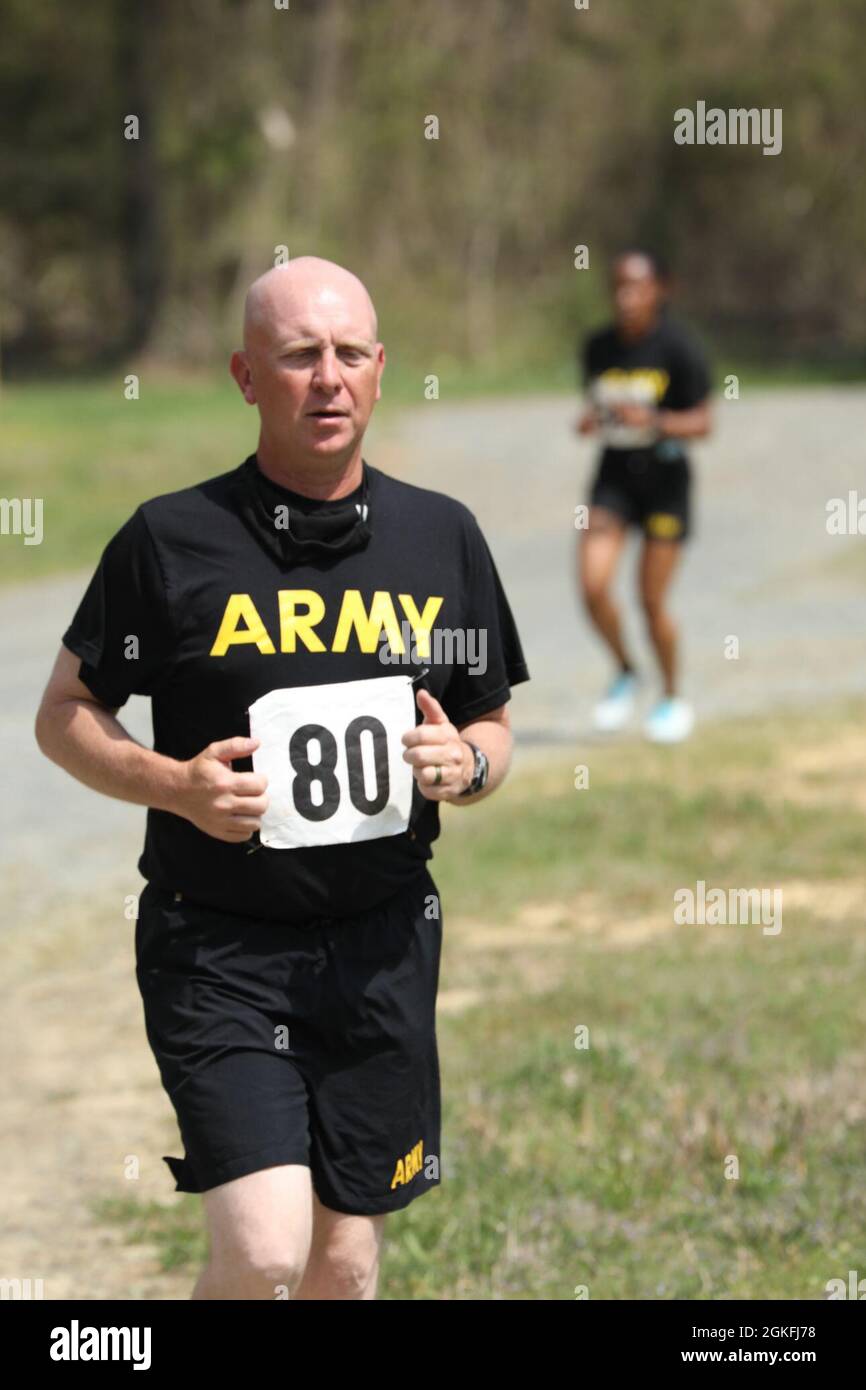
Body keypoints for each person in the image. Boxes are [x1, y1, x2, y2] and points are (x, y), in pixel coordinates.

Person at [34, 256, 530, 1301]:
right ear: (245, 377)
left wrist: (469, 764)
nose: (327, 378)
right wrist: (174, 784)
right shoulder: (171, 540)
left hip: (380, 946)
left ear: (382, 370)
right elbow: (65, 715)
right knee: (263, 1250)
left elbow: (490, 719)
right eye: (298, 355)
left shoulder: (441, 536)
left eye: (349, 353)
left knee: (341, 1264)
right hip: (216, 946)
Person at [576, 248, 712, 742]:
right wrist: (591, 420)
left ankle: (672, 697)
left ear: (660, 289)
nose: (625, 297)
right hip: (613, 479)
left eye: (636, 287)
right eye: (617, 287)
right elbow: (593, 405)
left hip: (666, 484)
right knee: (592, 586)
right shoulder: (598, 347)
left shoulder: (679, 348)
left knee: (649, 600)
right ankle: (625, 671)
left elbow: (703, 423)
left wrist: (653, 421)